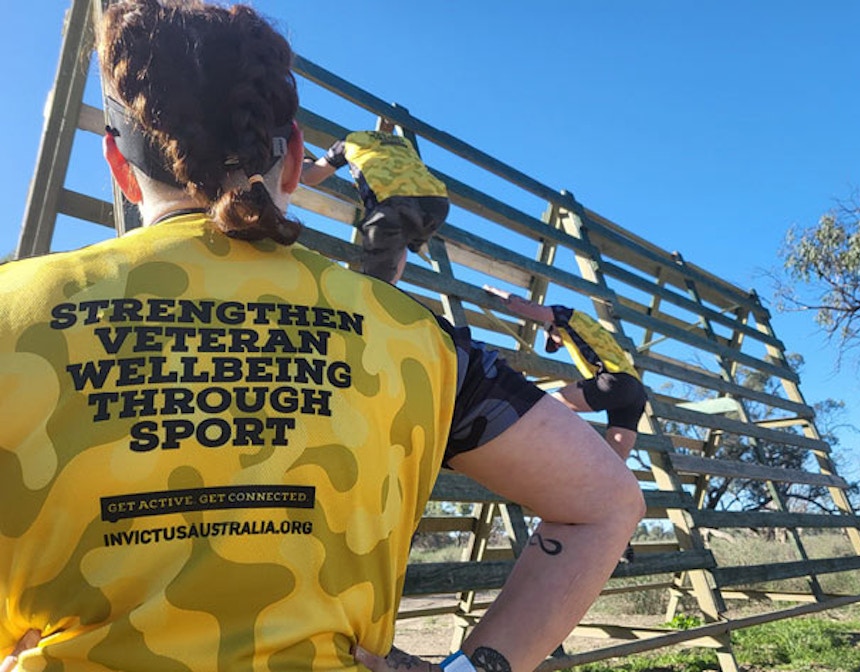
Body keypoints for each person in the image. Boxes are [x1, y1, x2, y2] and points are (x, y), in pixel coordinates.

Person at [0, 2, 644, 671]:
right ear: (293, 155)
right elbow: (605, 503)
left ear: (116, 160)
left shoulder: (11, 311)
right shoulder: (416, 339)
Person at [483, 287, 649, 462]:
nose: (557, 346)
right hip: (636, 393)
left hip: (614, 382)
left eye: (552, 341)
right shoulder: (592, 329)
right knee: (616, 461)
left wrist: (496, 291)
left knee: (546, 405)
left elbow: (528, 307)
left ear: (552, 326)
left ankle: (538, 451)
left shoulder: (567, 316)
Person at [299, 121, 449, 284]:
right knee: (398, 242)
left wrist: (305, 161)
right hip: (437, 201)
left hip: (393, 203)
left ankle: (376, 297)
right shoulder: (403, 143)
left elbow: (310, 177)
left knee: (375, 282)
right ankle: (388, 292)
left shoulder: (348, 142)